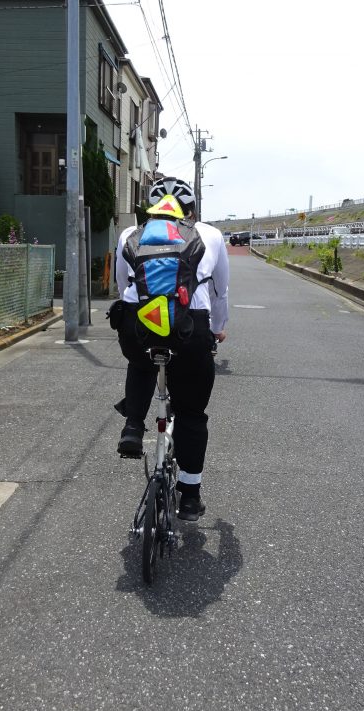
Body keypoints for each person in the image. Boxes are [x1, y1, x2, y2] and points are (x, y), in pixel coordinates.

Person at [112, 176, 229, 521]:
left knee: (142, 358)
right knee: (192, 413)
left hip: (139, 322)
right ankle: (190, 498)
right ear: (191, 211)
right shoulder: (210, 235)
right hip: (190, 327)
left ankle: (133, 424)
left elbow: (123, 286)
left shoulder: (129, 235)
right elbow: (221, 292)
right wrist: (219, 329)